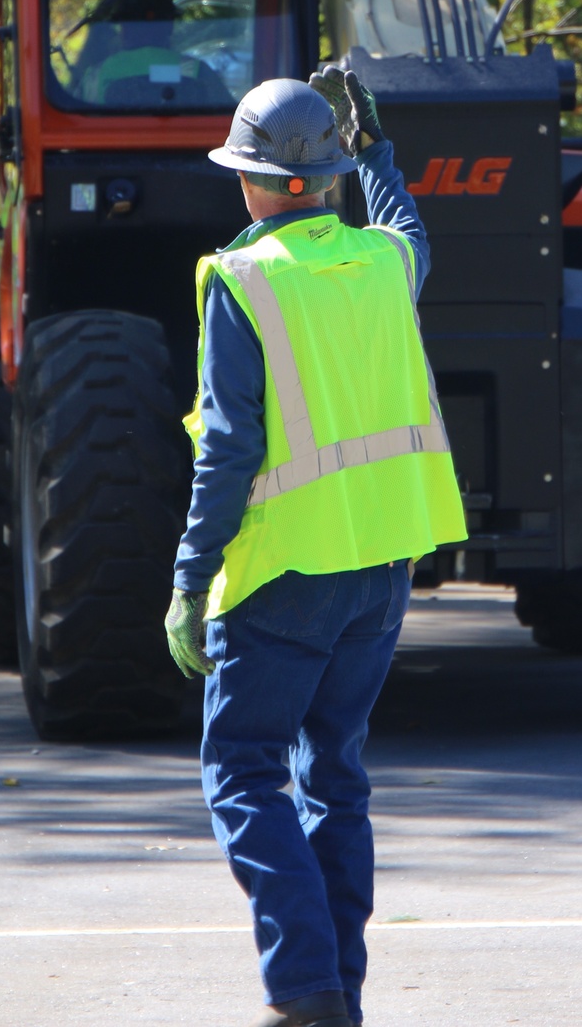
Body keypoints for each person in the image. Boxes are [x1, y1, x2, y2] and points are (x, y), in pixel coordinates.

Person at [164, 68, 466, 1027]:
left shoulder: (242, 280)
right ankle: (338, 992)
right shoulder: (381, 263)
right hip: (382, 571)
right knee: (334, 772)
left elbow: (229, 451)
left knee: (244, 768)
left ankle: (305, 991)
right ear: (327, 174)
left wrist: (187, 580)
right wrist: (378, 150)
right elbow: (411, 231)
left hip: (285, 575)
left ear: (249, 180)